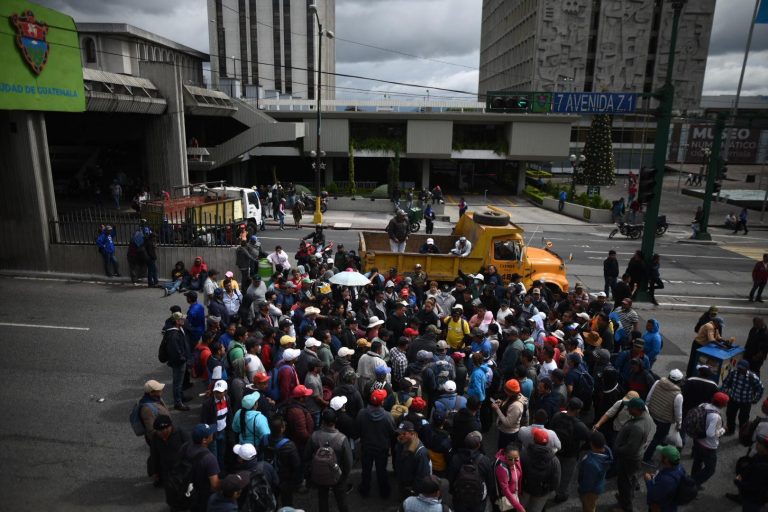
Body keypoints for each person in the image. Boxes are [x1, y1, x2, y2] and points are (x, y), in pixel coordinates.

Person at [305, 408, 353, 512]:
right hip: (337, 475)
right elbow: (348, 461)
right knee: (341, 500)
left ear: (322, 421)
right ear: (335, 421)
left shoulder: (314, 436)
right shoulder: (342, 438)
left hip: (320, 474)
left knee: (322, 498)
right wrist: (344, 476)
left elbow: (307, 456)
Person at [613, 397, 655, 512]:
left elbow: (630, 448)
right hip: (637, 456)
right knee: (631, 478)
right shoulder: (647, 417)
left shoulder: (637, 427)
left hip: (629, 459)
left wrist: (617, 449)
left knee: (624, 482)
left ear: (637, 409)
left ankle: (626, 507)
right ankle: (626, 497)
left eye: (630, 408)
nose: (627, 409)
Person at [550, 397, 590, 504]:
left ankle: (550, 489)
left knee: (555, 471)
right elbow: (589, 438)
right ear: (578, 410)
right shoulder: (579, 425)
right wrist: (581, 449)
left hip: (556, 451)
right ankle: (561, 494)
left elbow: (551, 430)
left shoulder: (557, 416)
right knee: (566, 476)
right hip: (570, 455)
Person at [357, 389, 396, 498]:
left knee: (366, 470)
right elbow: (393, 433)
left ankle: (365, 490)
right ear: (382, 402)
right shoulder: (388, 416)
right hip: (382, 448)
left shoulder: (362, 413)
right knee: (381, 470)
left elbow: (358, 429)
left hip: (367, 446)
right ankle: (384, 492)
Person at [173, 424, 220, 512]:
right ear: (204, 440)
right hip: (202, 496)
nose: (212, 434)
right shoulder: (210, 459)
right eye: (210, 433)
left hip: (186, 488)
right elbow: (215, 485)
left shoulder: (185, 446)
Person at [642, 369, 684, 464]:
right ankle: (646, 458)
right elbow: (678, 413)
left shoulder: (657, 382)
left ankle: (661, 443)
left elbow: (648, 397)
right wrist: (679, 424)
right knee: (657, 438)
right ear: (679, 381)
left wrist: (647, 410)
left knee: (659, 436)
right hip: (664, 420)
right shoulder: (678, 395)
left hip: (652, 414)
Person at [447, 430, 495, 512]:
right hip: (478, 498)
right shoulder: (484, 460)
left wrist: (452, 492)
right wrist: (489, 494)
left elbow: (450, 478)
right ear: (479, 445)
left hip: (460, 497)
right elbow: (490, 481)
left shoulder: (456, 458)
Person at [691, 392, 728, 487]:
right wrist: (723, 430)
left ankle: (692, 480)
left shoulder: (703, 405)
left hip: (697, 440)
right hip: (708, 446)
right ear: (723, 404)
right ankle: (692, 483)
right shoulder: (715, 416)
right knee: (710, 469)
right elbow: (710, 434)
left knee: (697, 462)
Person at [520, 428, 560, 512]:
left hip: (525, 488)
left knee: (520, 508)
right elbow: (556, 480)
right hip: (542, 492)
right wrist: (548, 490)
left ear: (534, 440)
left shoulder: (524, 453)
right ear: (547, 442)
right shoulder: (554, 460)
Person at [721, 359, 764, 435]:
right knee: (730, 415)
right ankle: (730, 430)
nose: (740, 370)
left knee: (743, 419)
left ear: (747, 369)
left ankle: (742, 433)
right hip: (733, 399)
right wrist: (726, 392)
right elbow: (725, 383)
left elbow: (760, 389)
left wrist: (756, 399)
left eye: (742, 369)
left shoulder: (753, 377)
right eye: (739, 368)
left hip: (746, 402)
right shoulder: (733, 373)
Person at [149, 415, 189, 489]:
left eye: (166, 429)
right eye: (160, 431)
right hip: (166, 471)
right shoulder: (155, 438)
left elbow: (190, 449)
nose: (164, 432)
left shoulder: (180, 433)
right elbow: (154, 455)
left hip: (181, 469)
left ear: (171, 426)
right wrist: (155, 471)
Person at [731, 434, 768, 512]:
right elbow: (750, 466)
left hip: (753, 499)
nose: (757, 444)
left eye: (760, 444)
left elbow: (753, 486)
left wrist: (738, 482)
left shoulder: (763, 468)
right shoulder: (759, 455)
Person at [577, 431, 613, 512]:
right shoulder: (607, 451)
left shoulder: (590, 463)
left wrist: (581, 490)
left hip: (589, 490)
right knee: (592, 503)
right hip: (598, 485)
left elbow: (587, 482)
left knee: (588, 507)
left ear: (591, 444)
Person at [644, 445, 687, 512]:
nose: (660, 456)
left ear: (666, 459)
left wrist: (648, 480)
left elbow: (654, 495)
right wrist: (656, 477)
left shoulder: (667, 480)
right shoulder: (680, 468)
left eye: (662, 455)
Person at [163, 311, 191, 411]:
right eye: (181, 319)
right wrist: (183, 359)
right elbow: (175, 351)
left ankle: (181, 397)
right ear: (176, 321)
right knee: (178, 383)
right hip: (179, 362)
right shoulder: (173, 334)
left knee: (180, 381)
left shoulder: (179, 328)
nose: (183, 320)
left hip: (181, 360)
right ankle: (178, 403)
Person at [494, 442, 525, 512]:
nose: (513, 462)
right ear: (505, 455)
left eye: (516, 458)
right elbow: (506, 491)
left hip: (515, 495)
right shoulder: (502, 469)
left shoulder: (516, 460)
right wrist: (519, 507)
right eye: (510, 459)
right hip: (508, 498)